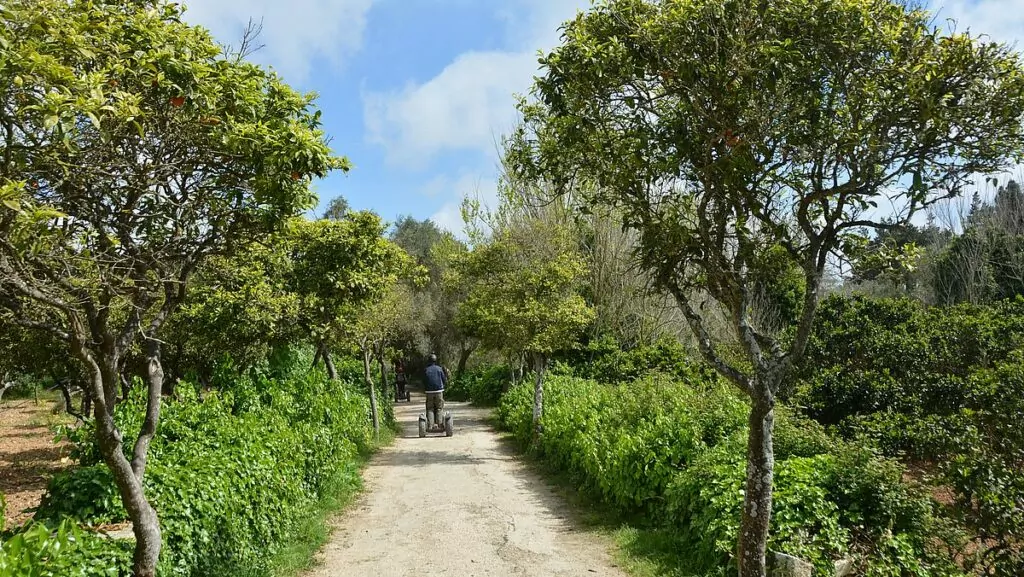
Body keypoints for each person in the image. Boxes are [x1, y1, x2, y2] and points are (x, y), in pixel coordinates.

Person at [423, 353, 447, 429]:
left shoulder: (426, 369)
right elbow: (444, 379)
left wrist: (426, 387)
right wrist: (443, 385)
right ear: (435, 360)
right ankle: (440, 424)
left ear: (429, 361)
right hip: (439, 391)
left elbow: (423, 381)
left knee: (430, 408)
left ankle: (430, 425)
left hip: (429, 392)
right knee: (439, 408)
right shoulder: (439, 369)